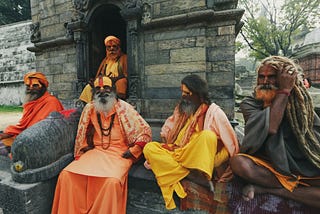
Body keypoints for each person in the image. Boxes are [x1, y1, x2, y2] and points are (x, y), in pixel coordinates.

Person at [52, 76, 152, 214]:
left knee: (112, 182)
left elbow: (145, 131)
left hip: (120, 153)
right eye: (98, 88)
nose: (102, 91)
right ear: (93, 92)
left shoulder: (124, 108)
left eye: (106, 88)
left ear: (113, 90)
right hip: (97, 151)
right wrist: (84, 146)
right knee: (66, 175)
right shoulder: (90, 108)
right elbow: (83, 131)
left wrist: (134, 150)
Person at [230, 56, 320, 208]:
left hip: (303, 167)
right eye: (261, 77)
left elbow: (313, 139)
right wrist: (284, 91)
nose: (265, 82)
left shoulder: (299, 102)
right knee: (239, 163)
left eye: (271, 77)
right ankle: (295, 189)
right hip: (271, 168)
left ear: (285, 79)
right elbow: (271, 127)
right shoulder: (249, 104)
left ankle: (272, 190)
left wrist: (286, 93)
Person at [143, 74, 239, 210]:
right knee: (149, 147)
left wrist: (212, 161)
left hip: (199, 160)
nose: (183, 96)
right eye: (182, 92)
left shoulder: (214, 113)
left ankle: (179, 171)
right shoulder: (183, 110)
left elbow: (231, 147)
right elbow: (168, 132)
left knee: (208, 136)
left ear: (199, 95)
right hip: (179, 154)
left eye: (187, 93)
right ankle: (192, 176)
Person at [0, 71, 64, 156]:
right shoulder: (31, 103)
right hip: (26, 135)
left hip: (40, 141)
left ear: (43, 87)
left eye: (35, 85)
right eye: (28, 86)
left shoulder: (52, 102)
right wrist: (6, 134)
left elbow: (47, 129)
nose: (31, 88)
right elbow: (23, 126)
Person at [79, 35, 128, 104]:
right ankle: (90, 105)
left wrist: (113, 79)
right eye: (109, 47)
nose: (111, 49)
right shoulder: (105, 61)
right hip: (105, 81)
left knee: (121, 82)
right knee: (89, 87)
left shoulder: (124, 58)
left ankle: (118, 104)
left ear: (118, 48)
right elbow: (100, 74)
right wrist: (95, 80)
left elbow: (126, 75)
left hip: (117, 80)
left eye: (114, 46)